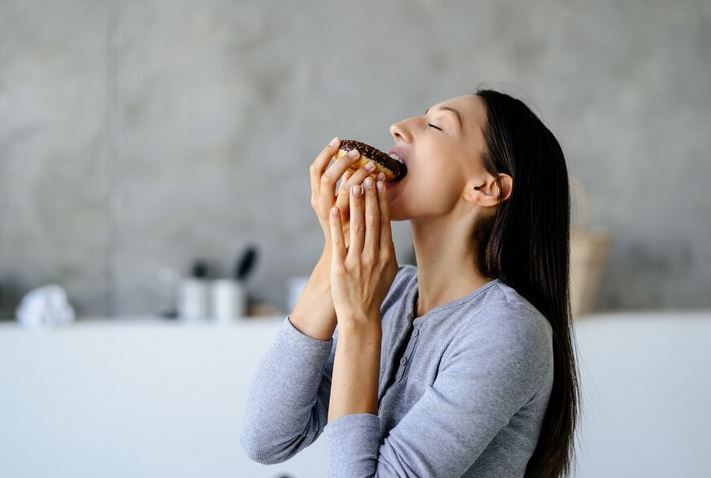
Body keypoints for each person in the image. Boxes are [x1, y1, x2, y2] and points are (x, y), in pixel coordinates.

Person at [241, 89, 579, 478]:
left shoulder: (509, 330)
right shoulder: (389, 292)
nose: (398, 128)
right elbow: (266, 439)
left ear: (486, 188)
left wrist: (360, 322)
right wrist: (338, 246)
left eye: (437, 125)